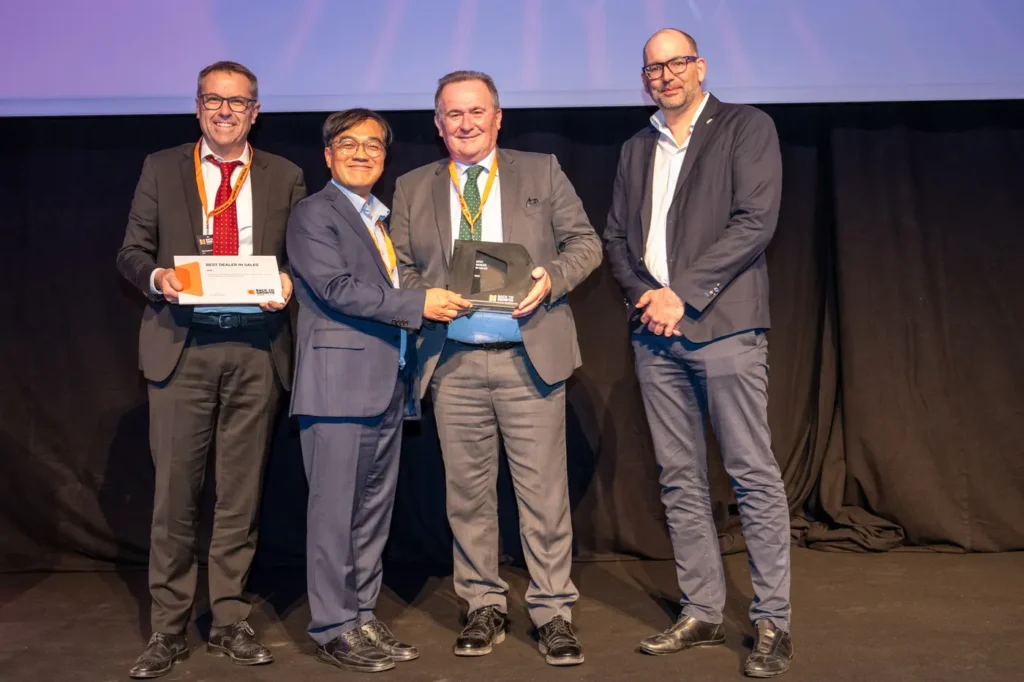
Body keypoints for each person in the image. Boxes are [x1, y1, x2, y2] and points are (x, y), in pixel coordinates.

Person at [389, 70, 602, 667]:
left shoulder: (542, 171)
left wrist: (550, 279)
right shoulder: (412, 186)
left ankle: (553, 611)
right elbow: (399, 266)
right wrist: (425, 295)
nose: (466, 123)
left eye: (476, 111)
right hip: (453, 362)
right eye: (453, 114)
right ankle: (482, 604)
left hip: (529, 358)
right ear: (438, 124)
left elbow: (585, 244)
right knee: (467, 496)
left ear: (498, 116)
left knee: (544, 495)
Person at [603, 28, 793, 677]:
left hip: (725, 328)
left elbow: (755, 222)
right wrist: (646, 297)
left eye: (676, 62)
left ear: (700, 66)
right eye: (653, 68)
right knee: (679, 478)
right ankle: (703, 610)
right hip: (654, 334)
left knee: (751, 474)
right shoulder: (637, 147)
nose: (665, 75)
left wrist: (680, 295)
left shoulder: (746, 127)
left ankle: (772, 621)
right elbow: (616, 238)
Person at [116, 61, 306, 678]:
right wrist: (158, 277)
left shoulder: (285, 174)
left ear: (256, 111)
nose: (225, 111)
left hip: (256, 348)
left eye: (237, 102)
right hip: (183, 346)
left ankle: (228, 620)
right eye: (213, 100)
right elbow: (131, 251)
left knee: (239, 497)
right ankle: (168, 629)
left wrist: (287, 281)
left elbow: (301, 258)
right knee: (174, 496)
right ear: (198, 107)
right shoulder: (160, 167)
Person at [286, 109, 469, 673]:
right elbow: (338, 289)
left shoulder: (379, 220)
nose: (361, 153)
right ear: (328, 155)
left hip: (389, 383)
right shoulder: (314, 213)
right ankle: (332, 625)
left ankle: (362, 616)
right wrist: (421, 303)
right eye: (348, 144)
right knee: (334, 515)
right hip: (338, 388)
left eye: (373, 146)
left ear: (385, 158)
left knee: (370, 514)